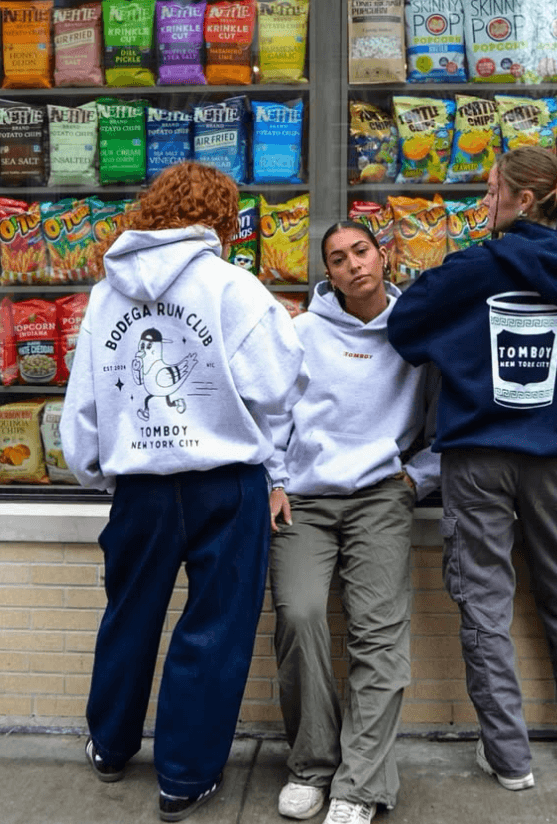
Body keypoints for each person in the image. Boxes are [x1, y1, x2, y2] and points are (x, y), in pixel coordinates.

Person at [387, 146, 557, 791]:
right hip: (553, 460)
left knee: (484, 605)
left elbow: (405, 329)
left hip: (475, 461)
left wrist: (463, 348)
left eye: (492, 188)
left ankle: (508, 758)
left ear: (524, 199)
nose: (484, 199)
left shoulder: (470, 270)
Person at [60, 161, 307, 822]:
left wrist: (97, 468)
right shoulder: (232, 287)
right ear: (222, 216)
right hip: (223, 482)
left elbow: (85, 401)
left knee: (128, 613)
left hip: (139, 486)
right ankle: (184, 775)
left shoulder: (107, 294)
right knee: (215, 628)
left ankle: (110, 745)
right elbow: (277, 383)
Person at [267, 221, 440, 824]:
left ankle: (360, 785)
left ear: (383, 255)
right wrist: (274, 479)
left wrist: (421, 475)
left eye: (361, 251)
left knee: (378, 634)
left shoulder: (415, 331)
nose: (353, 265)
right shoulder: (301, 332)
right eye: (338, 259)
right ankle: (312, 766)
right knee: (299, 613)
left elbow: (458, 410)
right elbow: (271, 413)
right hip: (305, 499)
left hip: (381, 497)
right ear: (329, 274)